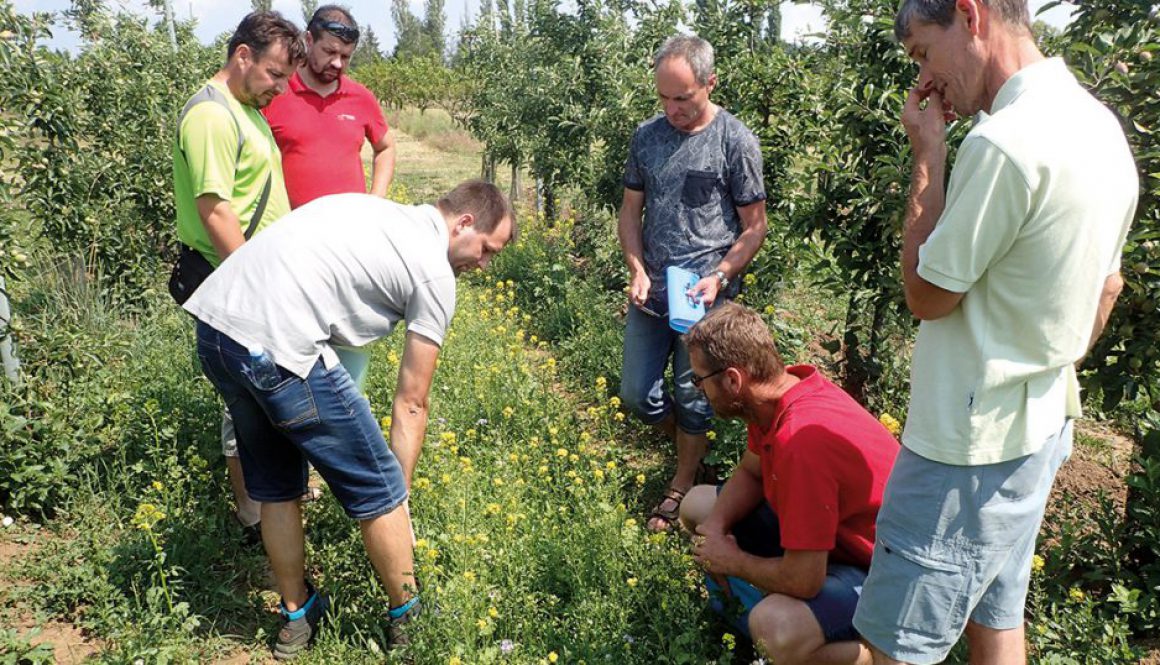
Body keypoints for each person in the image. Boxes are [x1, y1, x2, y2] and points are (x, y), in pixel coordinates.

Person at [852, 2, 1138, 663]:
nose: (926, 77)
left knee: (893, 647)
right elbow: (1107, 287)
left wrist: (929, 153)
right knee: (997, 617)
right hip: (1039, 432)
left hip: (964, 450)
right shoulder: (1101, 129)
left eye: (924, 52)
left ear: (970, 15)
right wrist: (1038, 357)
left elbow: (926, 293)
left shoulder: (1004, 143)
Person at [184, 181, 516, 659]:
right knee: (379, 485)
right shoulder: (433, 275)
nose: (483, 265)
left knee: (276, 485)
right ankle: (408, 619)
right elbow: (412, 403)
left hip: (218, 332)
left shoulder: (370, 210)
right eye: (486, 250)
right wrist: (394, 501)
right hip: (280, 344)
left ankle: (297, 618)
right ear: (464, 223)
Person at [678, 302, 898, 665]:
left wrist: (733, 561)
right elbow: (751, 471)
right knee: (700, 505)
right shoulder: (773, 397)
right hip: (830, 542)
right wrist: (714, 530)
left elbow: (804, 579)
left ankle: (876, 655)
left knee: (773, 628)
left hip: (878, 572)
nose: (698, 389)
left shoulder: (800, 444)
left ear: (733, 379)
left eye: (699, 380)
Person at [617, 34, 768, 531]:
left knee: (692, 391)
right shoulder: (647, 137)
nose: (672, 109)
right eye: (663, 97)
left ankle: (683, 480)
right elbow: (630, 210)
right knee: (637, 392)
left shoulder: (735, 141)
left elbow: (754, 227)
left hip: (704, 295)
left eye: (682, 98)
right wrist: (636, 267)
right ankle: (688, 446)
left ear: (710, 83)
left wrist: (721, 275)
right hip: (653, 290)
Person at [171, 11, 304, 543]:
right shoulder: (211, 115)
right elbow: (216, 212)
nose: (278, 88)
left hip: (252, 279)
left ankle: (275, 500)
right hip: (234, 284)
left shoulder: (246, 109)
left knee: (266, 396)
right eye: (274, 74)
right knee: (247, 398)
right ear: (242, 55)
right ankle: (253, 516)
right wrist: (260, 287)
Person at [263, 4, 396, 390]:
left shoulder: (360, 98)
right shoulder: (277, 91)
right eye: (330, 52)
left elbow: (385, 147)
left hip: (348, 251)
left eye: (346, 57)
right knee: (284, 348)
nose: (338, 63)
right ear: (308, 41)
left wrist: (377, 201)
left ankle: (337, 427)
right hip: (287, 248)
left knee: (345, 348)